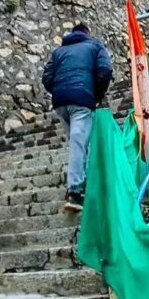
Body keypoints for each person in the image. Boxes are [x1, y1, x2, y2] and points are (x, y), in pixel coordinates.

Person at [42, 23, 112, 212]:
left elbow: (46, 77)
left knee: (78, 142)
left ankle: (86, 181)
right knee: (79, 144)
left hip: (60, 101)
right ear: (87, 33)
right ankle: (74, 191)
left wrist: (58, 90)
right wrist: (96, 94)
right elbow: (105, 70)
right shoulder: (95, 46)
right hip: (81, 99)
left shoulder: (59, 51)